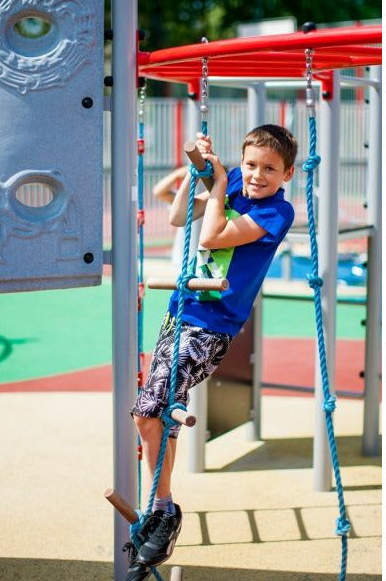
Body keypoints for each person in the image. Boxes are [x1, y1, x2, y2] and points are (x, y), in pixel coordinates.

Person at [125, 124, 297, 580]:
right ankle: (159, 510)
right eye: (251, 164)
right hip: (177, 313)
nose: (257, 175)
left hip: (211, 326)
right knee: (154, 415)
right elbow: (181, 217)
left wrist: (220, 184)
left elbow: (211, 235)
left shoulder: (278, 212)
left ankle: (163, 511)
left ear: (288, 174)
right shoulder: (236, 179)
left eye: (270, 169)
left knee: (150, 411)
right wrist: (195, 162)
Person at [151, 165, 202, 269]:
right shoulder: (187, 200)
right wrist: (177, 175)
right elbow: (158, 192)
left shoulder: (219, 199)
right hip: (184, 259)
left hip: (206, 260)